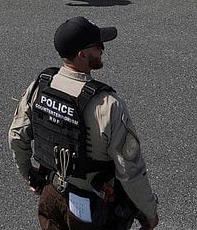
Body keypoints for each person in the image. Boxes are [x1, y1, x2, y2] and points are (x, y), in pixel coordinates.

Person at [9, 17, 160, 230]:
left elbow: (17, 136)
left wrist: (30, 176)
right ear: (82, 55)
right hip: (93, 206)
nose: (102, 50)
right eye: (98, 46)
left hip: (51, 196)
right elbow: (130, 171)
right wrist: (149, 212)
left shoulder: (40, 86)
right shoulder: (108, 104)